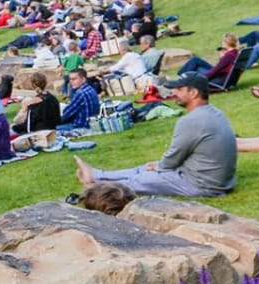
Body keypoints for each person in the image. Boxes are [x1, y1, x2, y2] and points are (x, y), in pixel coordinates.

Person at [75, 76, 236, 198]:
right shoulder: (215, 112)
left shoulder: (191, 121)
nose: (174, 93)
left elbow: (174, 157)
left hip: (203, 184)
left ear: (193, 93)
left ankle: (96, 186)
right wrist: (159, 165)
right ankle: (97, 174)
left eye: (179, 90)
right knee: (146, 168)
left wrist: (160, 167)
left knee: (143, 180)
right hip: (216, 178)